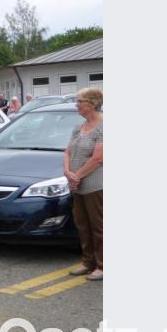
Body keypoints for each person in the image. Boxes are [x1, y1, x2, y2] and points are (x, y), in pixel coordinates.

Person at [64, 88, 103, 281]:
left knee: (99, 226)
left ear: (92, 103)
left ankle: (102, 265)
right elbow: (67, 152)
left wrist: (76, 176)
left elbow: (98, 158)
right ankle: (88, 262)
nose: (76, 104)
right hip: (77, 185)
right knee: (82, 224)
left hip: (96, 185)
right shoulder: (79, 127)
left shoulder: (104, 126)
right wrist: (67, 173)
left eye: (79, 101)